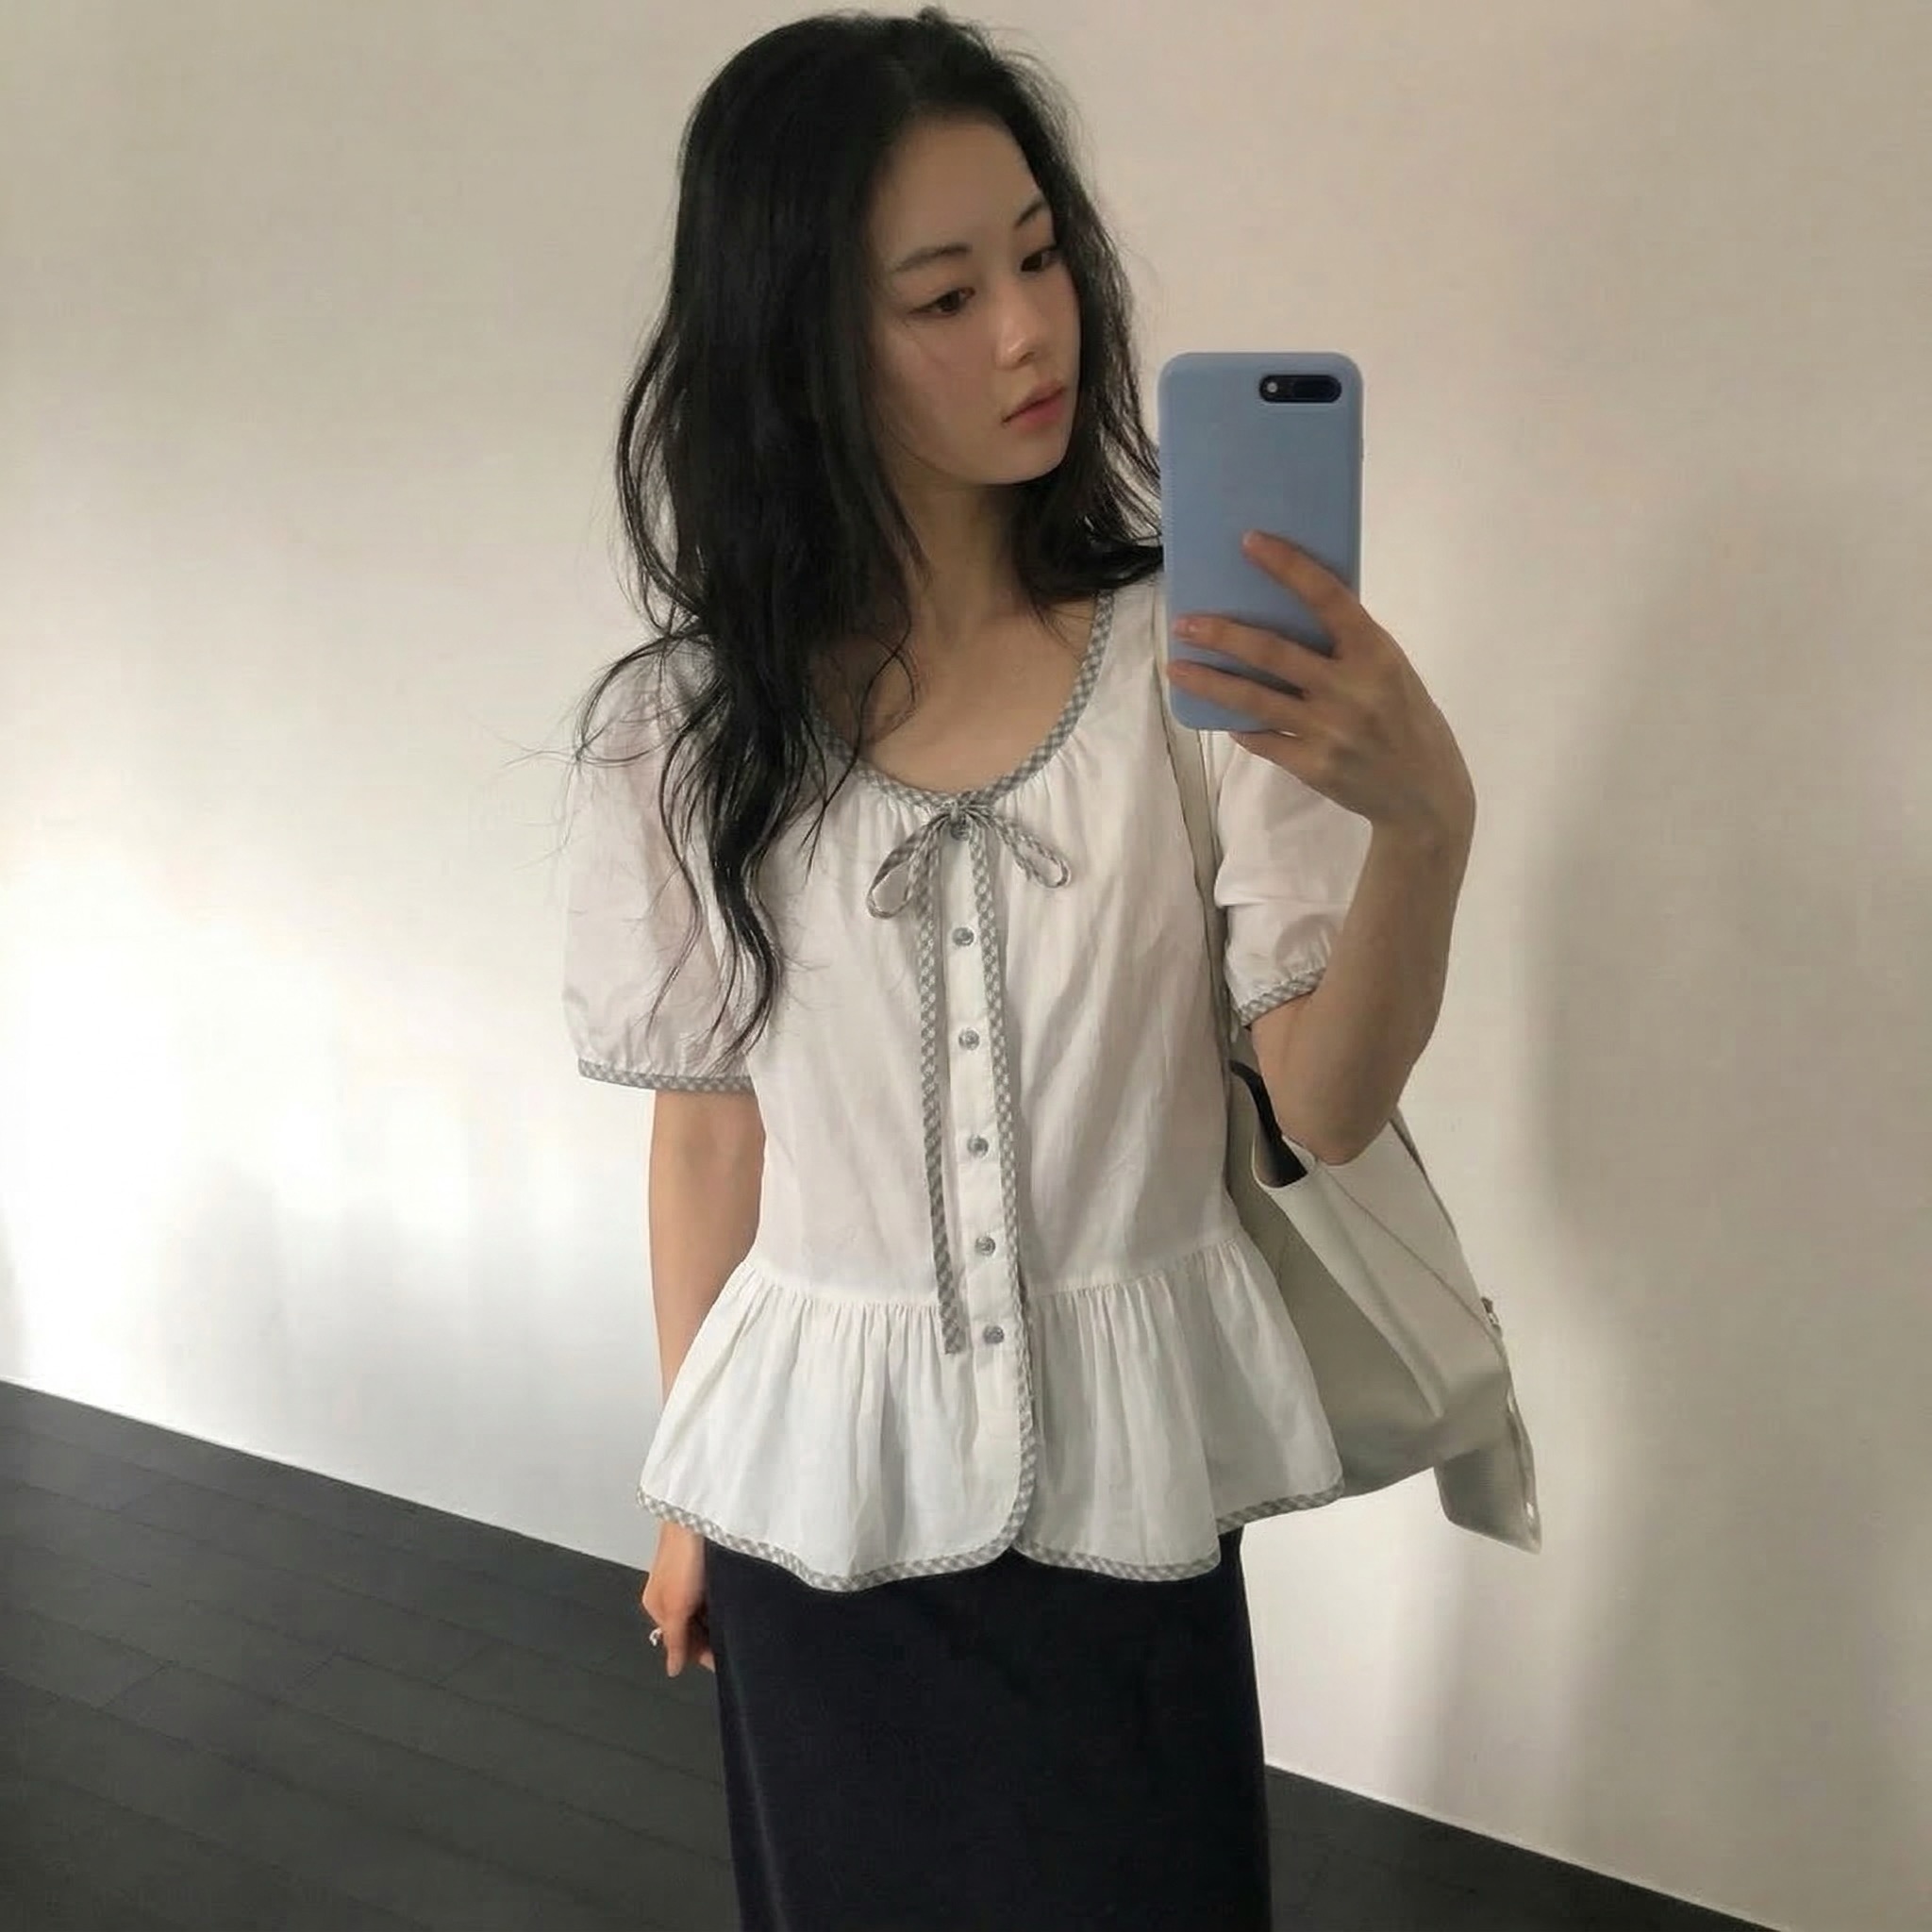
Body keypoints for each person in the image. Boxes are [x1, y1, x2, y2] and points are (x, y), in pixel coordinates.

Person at [559, 8, 1475, 1927]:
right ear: (799, 340)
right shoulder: (688, 729)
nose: (1030, 332)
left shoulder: (1191, 670)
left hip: (1127, 1511)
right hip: (813, 1521)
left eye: (1041, 257)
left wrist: (1423, 829)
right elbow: (712, 1139)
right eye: (944, 294)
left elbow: (1322, 1107)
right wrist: (685, 1490)